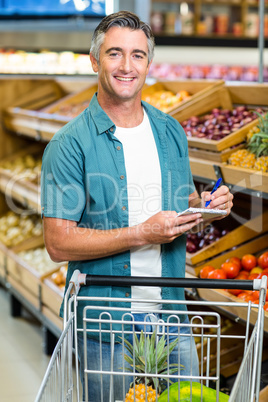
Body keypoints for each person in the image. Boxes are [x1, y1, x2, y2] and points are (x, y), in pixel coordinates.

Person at [41, 10, 233, 401]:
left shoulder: (170, 131)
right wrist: (142, 233)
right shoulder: (69, 144)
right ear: (95, 61)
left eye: (138, 55)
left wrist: (206, 206)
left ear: (149, 63)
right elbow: (58, 244)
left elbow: (176, 210)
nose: (127, 66)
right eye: (114, 54)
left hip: (171, 314)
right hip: (106, 325)